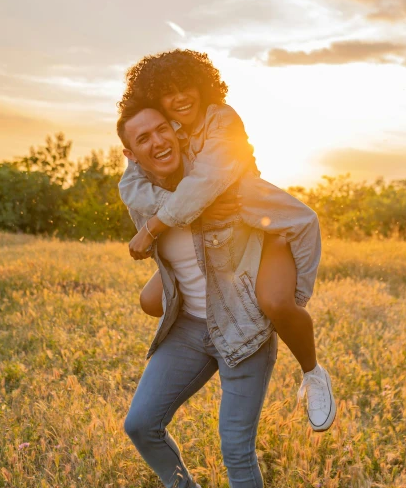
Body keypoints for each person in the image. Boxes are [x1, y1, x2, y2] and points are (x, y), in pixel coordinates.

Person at [117, 103, 332, 488]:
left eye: (162, 129)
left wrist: (287, 299)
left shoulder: (225, 183)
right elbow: (167, 258)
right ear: (131, 154)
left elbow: (301, 220)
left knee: (236, 448)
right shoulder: (140, 195)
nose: (158, 142)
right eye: (143, 139)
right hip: (190, 328)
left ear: (175, 130)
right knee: (140, 423)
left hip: (243, 328)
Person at [118, 49, 335, 431]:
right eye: (168, 92)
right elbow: (132, 185)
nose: (180, 96)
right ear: (155, 99)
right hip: (213, 241)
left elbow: (206, 184)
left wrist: (152, 228)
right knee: (151, 300)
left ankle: (312, 372)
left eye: (187, 85)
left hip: (257, 226)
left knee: (274, 302)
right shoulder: (168, 129)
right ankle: (212, 330)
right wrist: (191, 211)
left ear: (203, 84)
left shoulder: (222, 119)